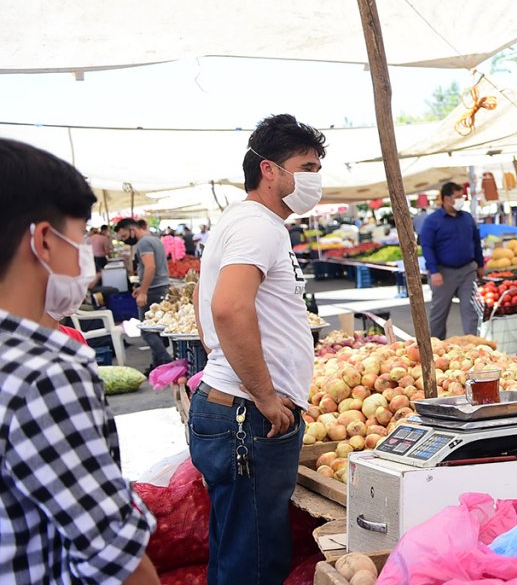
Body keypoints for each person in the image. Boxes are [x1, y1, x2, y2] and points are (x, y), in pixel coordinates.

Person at [0, 138, 160, 585]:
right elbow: (113, 557)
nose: (84, 257)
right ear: (45, 242)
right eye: (79, 238)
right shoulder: (45, 371)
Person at [190, 114, 325, 584]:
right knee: (255, 559)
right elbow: (227, 307)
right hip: (249, 415)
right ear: (270, 170)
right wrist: (265, 395)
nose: (315, 177)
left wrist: (220, 358)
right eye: (306, 166)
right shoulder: (259, 226)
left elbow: (201, 298)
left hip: (238, 408)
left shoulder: (241, 221)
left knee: (241, 547)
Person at [420, 182, 484, 338]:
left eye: (462, 197)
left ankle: (473, 345)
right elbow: (427, 246)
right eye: (458, 197)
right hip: (443, 272)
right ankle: (435, 345)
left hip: (467, 270)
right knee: (439, 311)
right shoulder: (432, 221)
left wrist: (480, 264)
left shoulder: (467, 218)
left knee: (471, 310)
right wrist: (434, 271)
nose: (461, 200)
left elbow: (476, 242)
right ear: (446, 199)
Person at [116, 217, 174, 371]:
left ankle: (167, 362)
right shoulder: (153, 240)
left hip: (154, 290)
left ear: (132, 230)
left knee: (147, 331)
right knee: (155, 329)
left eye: (124, 236)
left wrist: (143, 292)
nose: (124, 240)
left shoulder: (143, 243)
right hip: (159, 287)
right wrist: (141, 287)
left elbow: (150, 267)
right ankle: (157, 365)